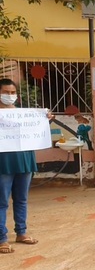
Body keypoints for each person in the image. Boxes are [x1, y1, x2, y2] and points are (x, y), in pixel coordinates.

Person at [1, 78, 54, 254]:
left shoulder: (24, 114)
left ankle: (21, 232)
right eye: (6, 92)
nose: (10, 96)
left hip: (25, 160)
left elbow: (36, 132)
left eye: (12, 93)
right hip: (3, 163)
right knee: (2, 202)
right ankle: (2, 238)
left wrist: (46, 120)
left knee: (21, 199)